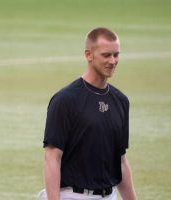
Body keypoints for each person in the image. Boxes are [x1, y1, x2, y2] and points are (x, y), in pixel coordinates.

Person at [38, 27, 137, 200]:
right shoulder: (65, 100)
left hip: (109, 196)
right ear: (88, 55)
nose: (113, 61)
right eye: (106, 55)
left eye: (116, 55)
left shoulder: (121, 101)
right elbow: (52, 158)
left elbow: (120, 161)